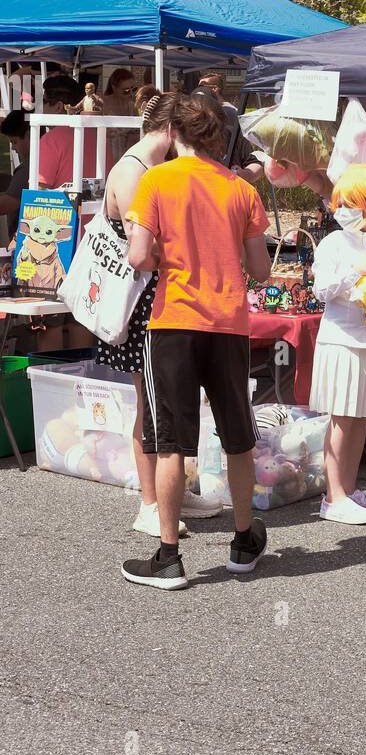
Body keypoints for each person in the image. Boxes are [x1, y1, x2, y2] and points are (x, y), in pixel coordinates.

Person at [121, 94, 272, 591]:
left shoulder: (157, 181)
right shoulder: (239, 189)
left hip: (174, 320)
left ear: (175, 133)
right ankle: (244, 539)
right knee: (237, 437)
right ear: (217, 136)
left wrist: (174, 251)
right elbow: (261, 270)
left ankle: (168, 556)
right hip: (228, 322)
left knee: (171, 443)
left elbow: (139, 256)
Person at [95, 89, 221, 539]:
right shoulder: (133, 170)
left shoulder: (149, 168)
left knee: (171, 404)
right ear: (171, 131)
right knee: (150, 406)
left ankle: (174, 492)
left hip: (161, 302)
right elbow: (140, 250)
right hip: (143, 306)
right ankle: (150, 502)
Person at [310, 165, 366, 525]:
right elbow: (322, 291)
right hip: (341, 340)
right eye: (340, 202)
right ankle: (334, 495)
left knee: (360, 419)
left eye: (353, 202)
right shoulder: (333, 243)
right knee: (342, 418)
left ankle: (348, 487)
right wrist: (356, 270)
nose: (343, 208)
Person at [38, 74, 113, 189]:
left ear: (58, 107)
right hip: (98, 205)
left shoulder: (50, 140)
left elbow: (38, 190)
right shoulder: (100, 137)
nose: (41, 106)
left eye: (43, 101)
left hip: (62, 206)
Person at [189, 86, 264, 185]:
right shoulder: (183, 137)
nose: (202, 114)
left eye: (207, 107)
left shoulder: (233, 134)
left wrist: (242, 174)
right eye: (196, 109)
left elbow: (254, 162)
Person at [0, 110, 31, 238]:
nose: (13, 148)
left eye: (14, 142)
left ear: (29, 135)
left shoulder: (28, 169)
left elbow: (6, 204)